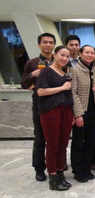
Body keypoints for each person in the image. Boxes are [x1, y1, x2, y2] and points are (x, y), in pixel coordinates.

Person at [36, 46, 73, 191]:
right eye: (62, 55)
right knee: (52, 145)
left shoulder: (64, 72)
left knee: (63, 144)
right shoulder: (46, 71)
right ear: (54, 55)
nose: (64, 58)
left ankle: (60, 172)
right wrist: (62, 88)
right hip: (51, 111)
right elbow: (40, 91)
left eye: (67, 56)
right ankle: (53, 177)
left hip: (65, 110)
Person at [21, 33, 55, 182]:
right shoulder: (32, 63)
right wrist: (32, 75)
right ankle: (39, 168)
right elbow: (24, 84)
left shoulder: (59, 61)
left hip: (57, 103)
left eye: (51, 42)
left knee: (56, 138)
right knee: (40, 138)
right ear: (39, 44)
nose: (48, 45)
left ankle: (54, 165)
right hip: (40, 105)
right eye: (45, 42)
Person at [70, 45, 95, 183]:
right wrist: (78, 114)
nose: (90, 55)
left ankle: (87, 167)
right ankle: (78, 170)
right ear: (81, 54)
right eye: (87, 52)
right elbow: (72, 93)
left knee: (90, 141)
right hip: (82, 112)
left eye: (92, 53)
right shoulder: (75, 70)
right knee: (78, 142)